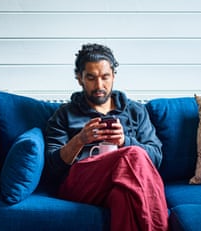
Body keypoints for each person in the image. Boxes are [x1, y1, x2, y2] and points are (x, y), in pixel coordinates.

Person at [45, 43, 168, 231]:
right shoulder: (65, 114)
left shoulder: (135, 111)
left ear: (114, 76)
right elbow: (52, 167)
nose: (99, 86)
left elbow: (156, 158)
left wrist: (124, 141)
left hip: (124, 181)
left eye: (105, 77)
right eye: (91, 78)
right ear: (80, 79)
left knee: (123, 197)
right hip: (80, 185)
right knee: (133, 154)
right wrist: (79, 140)